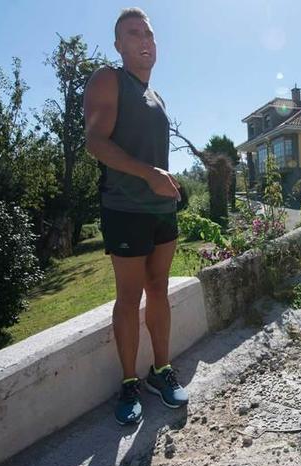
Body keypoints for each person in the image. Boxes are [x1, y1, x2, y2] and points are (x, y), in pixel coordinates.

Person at [84, 7, 188, 426]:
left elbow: (149, 155)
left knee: (159, 288)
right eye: (133, 33)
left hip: (161, 210)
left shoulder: (156, 97)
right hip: (124, 208)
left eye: (149, 33)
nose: (145, 40)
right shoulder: (108, 79)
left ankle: (160, 371)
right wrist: (149, 175)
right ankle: (128, 382)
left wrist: (166, 181)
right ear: (118, 45)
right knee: (129, 298)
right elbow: (95, 141)